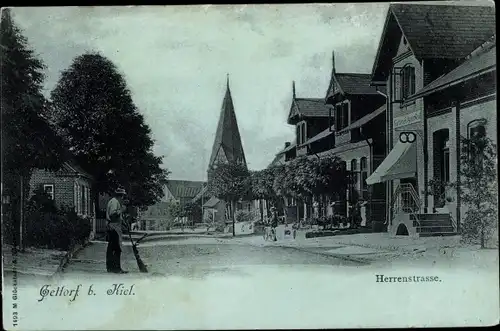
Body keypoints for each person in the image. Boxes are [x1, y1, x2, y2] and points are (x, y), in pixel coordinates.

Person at [106, 187, 128, 274]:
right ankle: (116, 269)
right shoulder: (115, 202)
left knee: (112, 248)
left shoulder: (113, 201)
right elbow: (113, 214)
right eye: (123, 196)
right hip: (114, 227)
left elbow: (116, 215)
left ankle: (111, 268)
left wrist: (123, 223)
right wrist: (121, 210)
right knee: (117, 248)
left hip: (113, 227)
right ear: (121, 196)